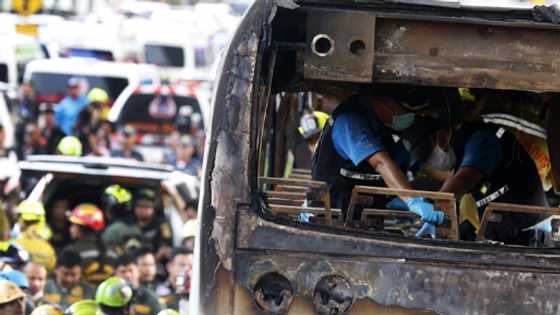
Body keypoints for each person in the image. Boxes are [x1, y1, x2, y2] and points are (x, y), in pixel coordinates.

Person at [311, 88, 447, 230]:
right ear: (381, 102)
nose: (408, 116)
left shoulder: (384, 126)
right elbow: (380, 162)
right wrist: (412, 200)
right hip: (330, 219)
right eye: (404, 111)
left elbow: (406, 165)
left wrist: (398, 195)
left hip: (366, 219)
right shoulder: (350, 121)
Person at [103, 189, 172, 260]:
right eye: (139, 206)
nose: (142, 210)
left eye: (147, 207)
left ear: (154, 209)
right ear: (134, 207)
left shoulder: (161, 227)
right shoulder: (121, 227)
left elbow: (166, 247)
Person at [63, 204, 117, 285]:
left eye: (73, 225)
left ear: (83, 228)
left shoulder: (71, 251)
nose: (70, 228)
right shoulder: (112, 249)